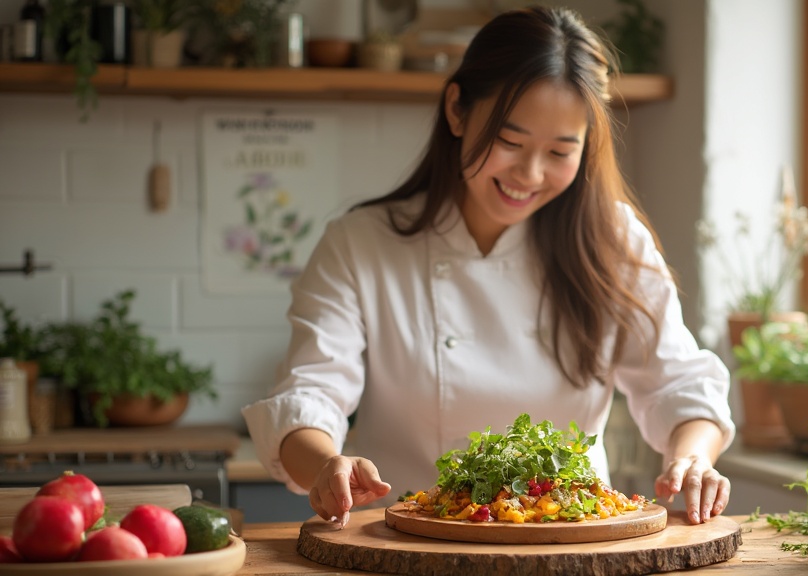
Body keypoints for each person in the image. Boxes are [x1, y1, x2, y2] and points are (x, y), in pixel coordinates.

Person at [242, 5, 734, 529]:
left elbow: (677, 384)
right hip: (415, 550)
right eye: (510, 141)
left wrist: (694, 457)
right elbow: (310, 394)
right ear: (457, 110)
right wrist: (325, 465)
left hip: (571, 544)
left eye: (560, 151)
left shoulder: (613, 241)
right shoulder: (359, 244)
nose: (530, 173)